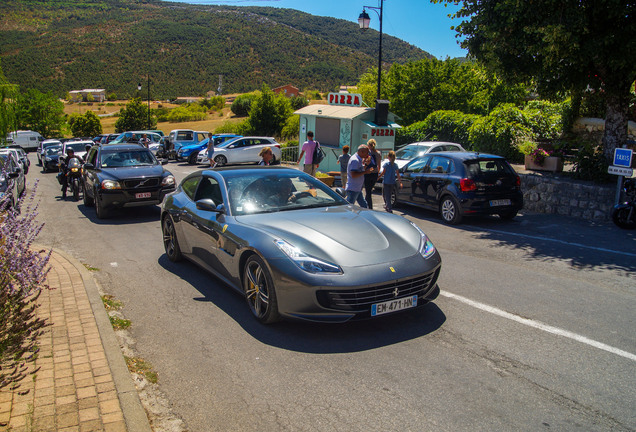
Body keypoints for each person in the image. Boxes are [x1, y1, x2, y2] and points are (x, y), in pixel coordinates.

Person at [363, 139, 381, 209]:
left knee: (368, 191)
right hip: (375, 173)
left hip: (368, 172)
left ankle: (368, 206)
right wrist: (378, 174)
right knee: (369, 190)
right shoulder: (378, 153)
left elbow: (364, 161)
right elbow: (379, 164)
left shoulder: (367, 153)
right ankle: (366, 204)